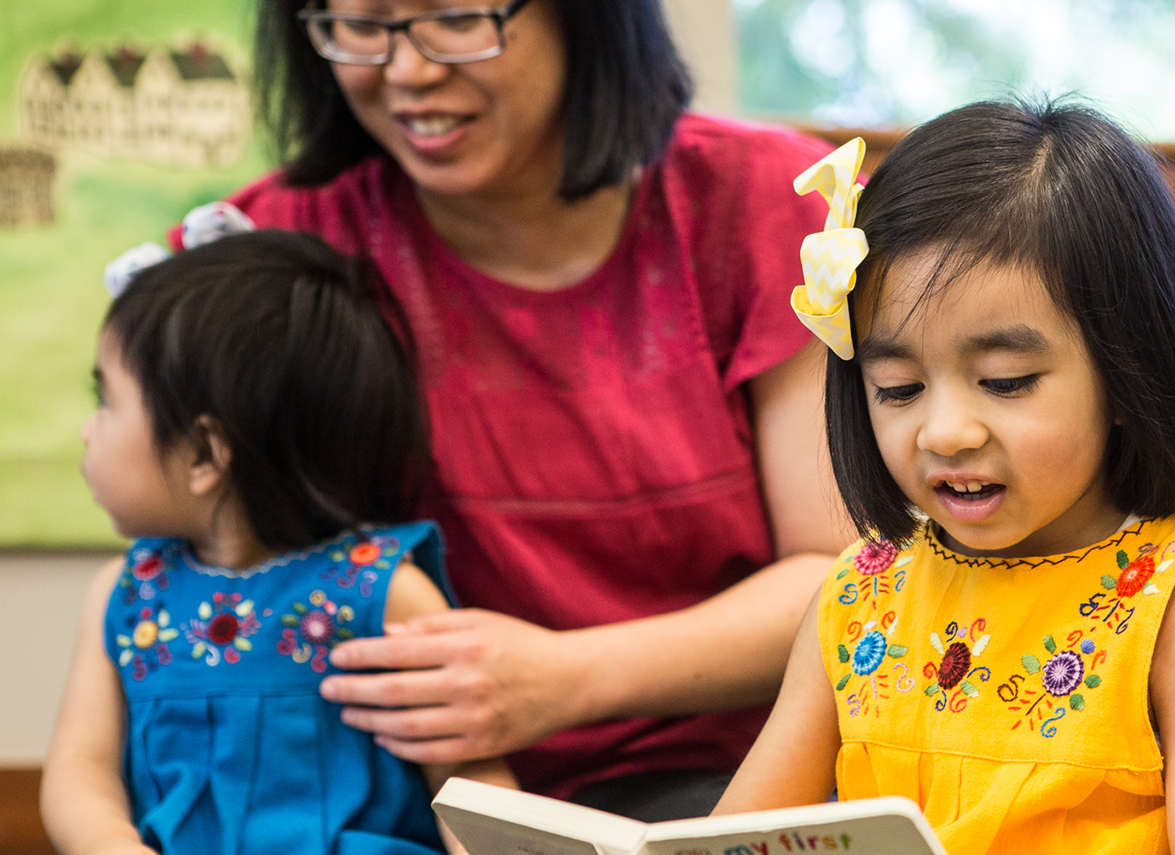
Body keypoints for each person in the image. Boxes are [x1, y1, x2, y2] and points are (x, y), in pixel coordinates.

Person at [189, 0, 851, 819]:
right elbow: (190, 550)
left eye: (458, 18)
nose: (407, 71)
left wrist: (561, 679)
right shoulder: (272, 244)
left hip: (730, 779)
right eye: (360, 24)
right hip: (382, 789)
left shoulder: (758, 201)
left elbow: (838, 579)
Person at [713, 99, 1175, 854]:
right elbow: (729, 843)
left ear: (1128, 372)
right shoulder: (857, 600)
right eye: (898, 389)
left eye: (1004, 380)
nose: (945, 432)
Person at [41, 230, 514, 855]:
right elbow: (80, 771)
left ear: (205, 454)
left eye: (105, 400)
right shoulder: (124, 598)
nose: (86, 429)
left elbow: (469, 781)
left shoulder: (386, 593)